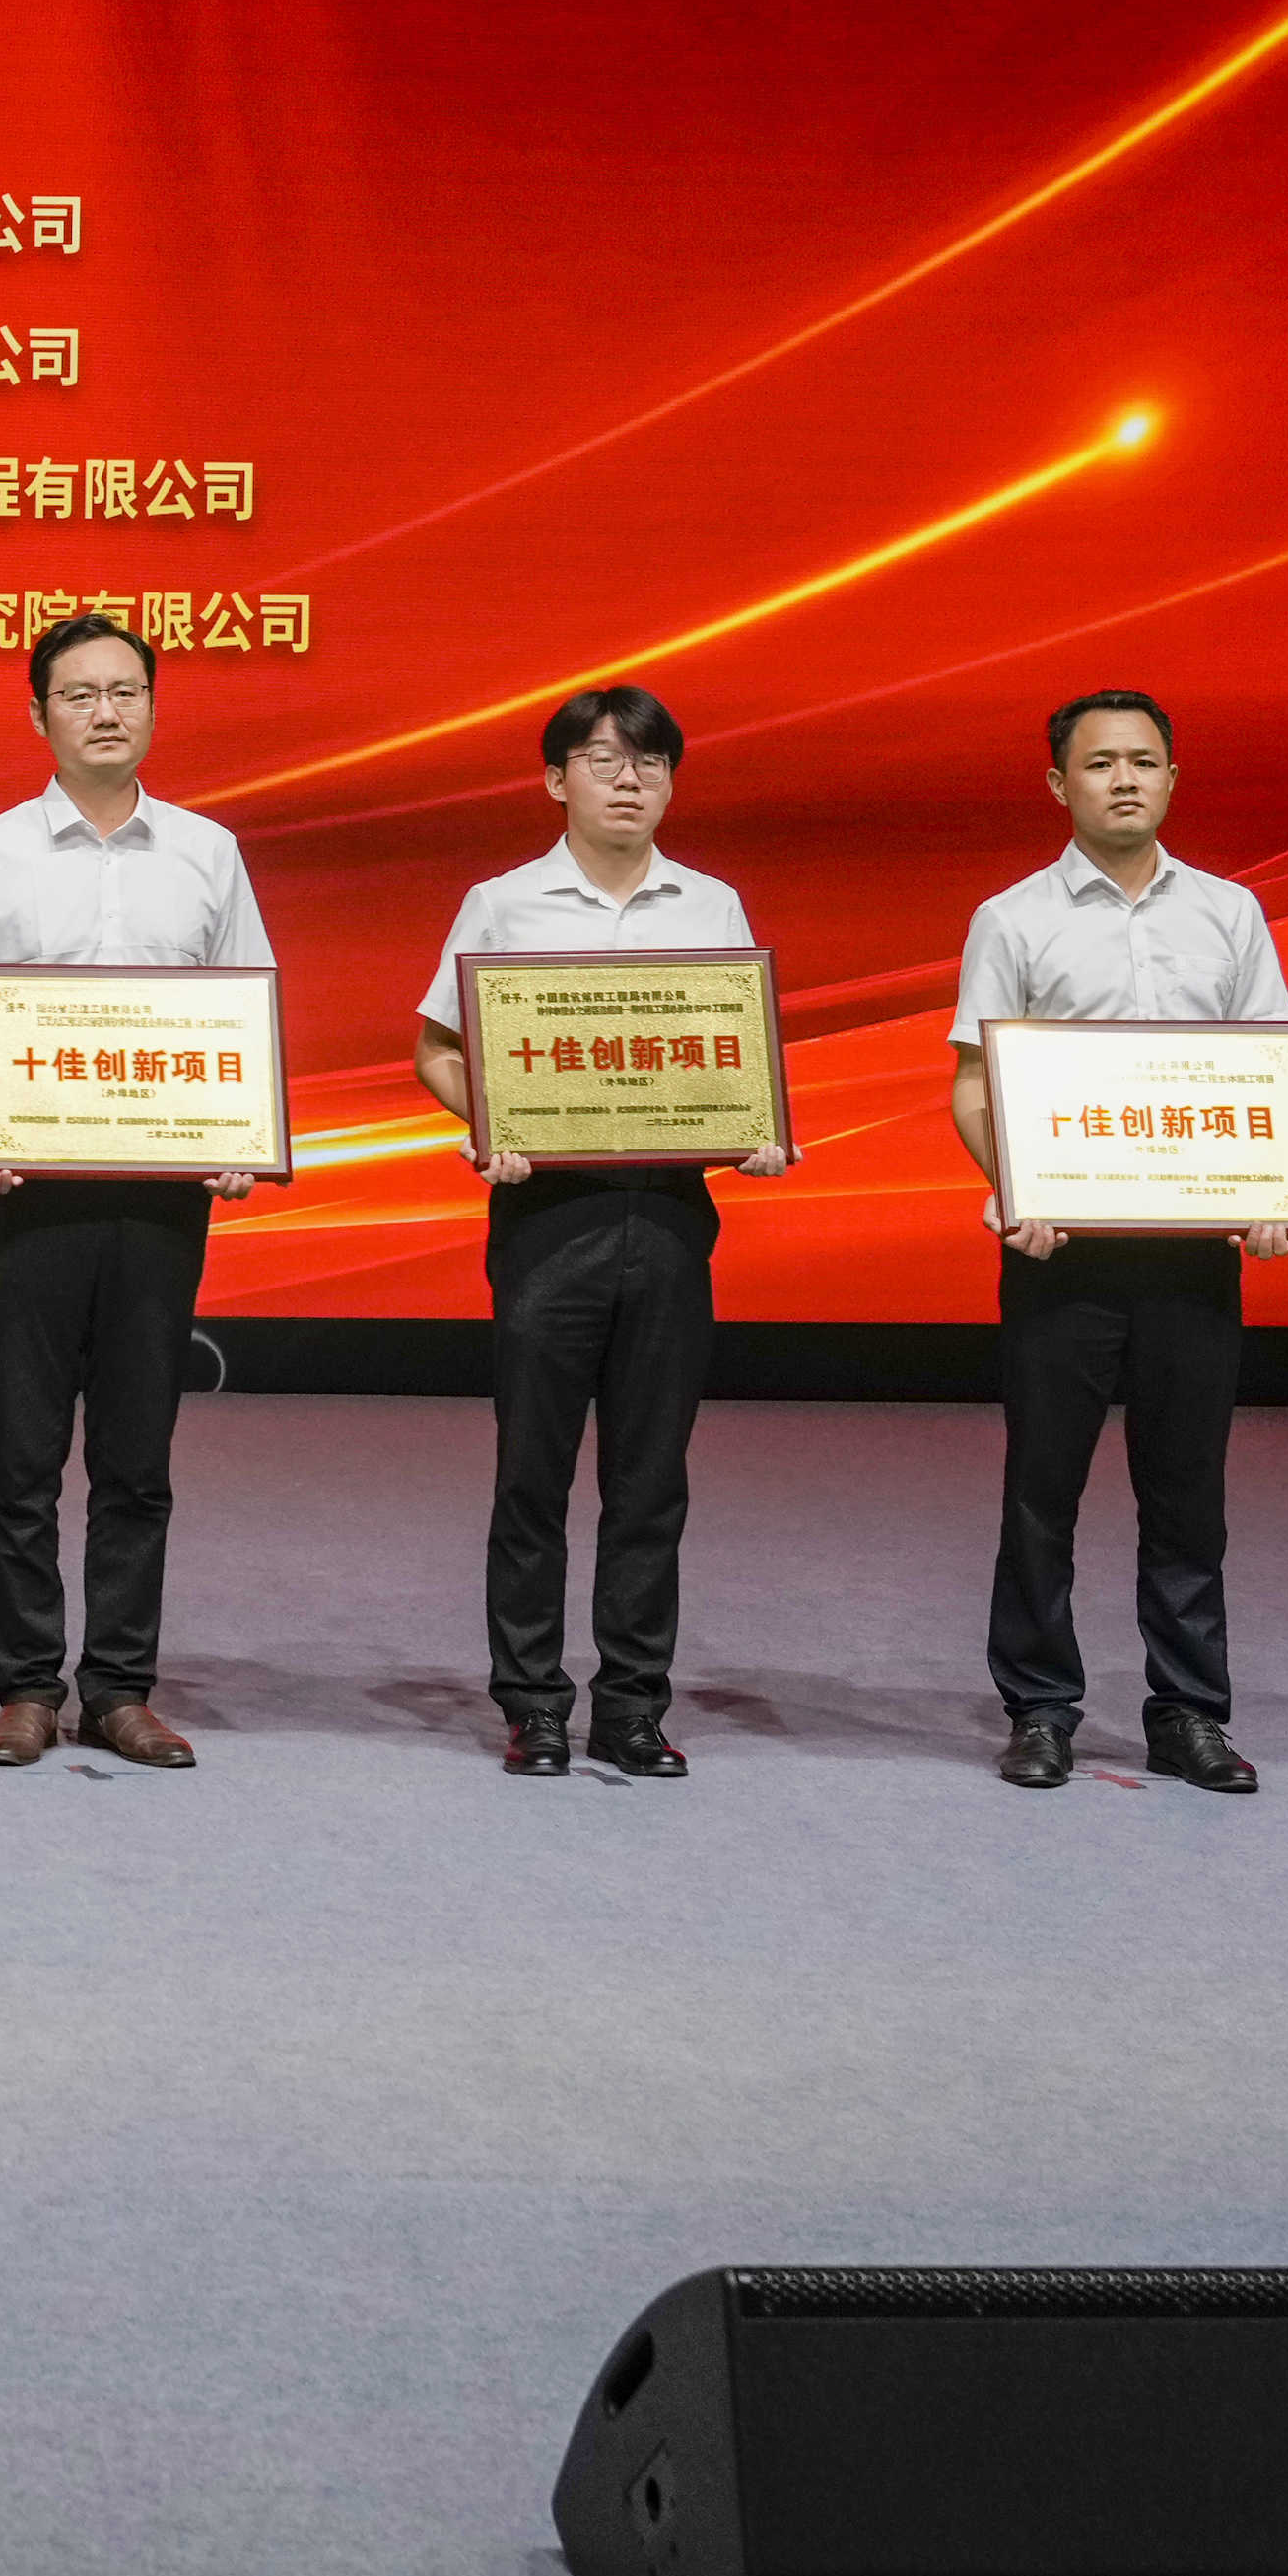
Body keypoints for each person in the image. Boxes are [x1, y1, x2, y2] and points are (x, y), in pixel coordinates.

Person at [407, 685, 798, 1780]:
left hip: (668, 1215)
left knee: (649, 1480)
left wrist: (757, 1130)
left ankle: (631, 1705)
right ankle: (533, 1702)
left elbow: (738, 1058)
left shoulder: (710, 905)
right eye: (601, 759)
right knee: (530, 1474)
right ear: (554, 779)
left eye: (649, 762)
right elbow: (437, 1049)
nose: (627, 780)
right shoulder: (503, 903)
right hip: (547, 1216)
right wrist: (489, 1121)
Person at [0, 612, 271, 1771]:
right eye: (79, 694)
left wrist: (237, 1133)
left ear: (152, 708)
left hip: (160, 1197)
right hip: (25, 1188)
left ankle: (117, 1686)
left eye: (124, 691)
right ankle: (24, 1685)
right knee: (20, 1451)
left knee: (135, 1453)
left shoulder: (207, 851)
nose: (104, 711)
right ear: (38, 715)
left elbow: (242, 1011)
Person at [947, 688, 1288, 1796]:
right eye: (1099, 763)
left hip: (1191, 1255)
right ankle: (1040, 1708)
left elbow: (1264, 1069)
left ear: (1172, 778)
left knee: (1187, 1494)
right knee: (1040, 1494)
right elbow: (972, 1087)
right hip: (1060, 1255)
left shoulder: (1230, 914)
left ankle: (1187, 1711)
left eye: (1144, 760)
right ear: (1060, 784)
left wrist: (1268, 1191)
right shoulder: (1012, 918)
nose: (1124, 780)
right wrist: (1016, 1188)